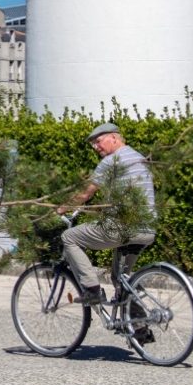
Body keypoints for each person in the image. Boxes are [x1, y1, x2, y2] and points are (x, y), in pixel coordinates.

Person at [58, 123, 157, 305]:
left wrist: (60, 209)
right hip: (147, 229)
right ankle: (140, 329)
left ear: (114, 137)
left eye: (98, 141)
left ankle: (92, 290)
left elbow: (85, 193)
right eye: (93, 145)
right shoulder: (140, 158)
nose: (96, 147)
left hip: (122, 227)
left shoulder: (111, 161)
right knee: (122, 280)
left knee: (69, 237)